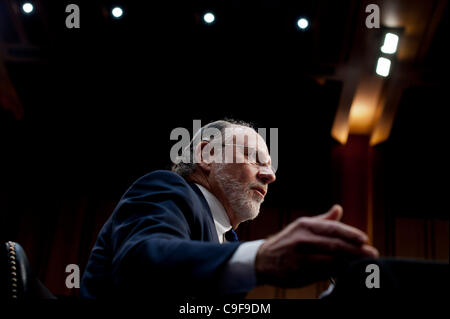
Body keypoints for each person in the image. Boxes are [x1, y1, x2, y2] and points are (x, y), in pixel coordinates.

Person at [80, 119, 378, 300]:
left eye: (271, 166)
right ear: (206, 155)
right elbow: (140, 264)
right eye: (255, 159)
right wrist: (260, 258)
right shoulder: (166, 187)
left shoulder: (229, 242)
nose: (270, 175)